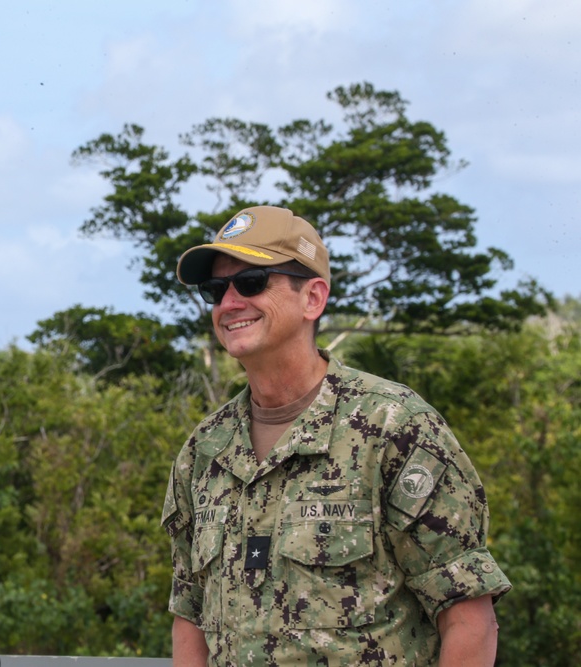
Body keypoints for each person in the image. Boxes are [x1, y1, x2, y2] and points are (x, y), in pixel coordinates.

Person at [161, 206, 511, 666]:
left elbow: (467, 616)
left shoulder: (393, 427)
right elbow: (191, 615)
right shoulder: (205, 449)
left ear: (313, 298)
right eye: (215, 289)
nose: (229, 302)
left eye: (251, 283)